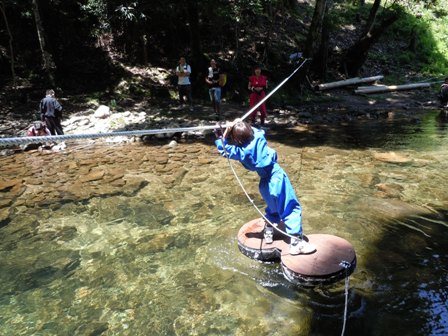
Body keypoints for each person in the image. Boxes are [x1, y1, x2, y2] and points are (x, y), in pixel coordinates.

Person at [214, 120, 315, 255]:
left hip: (264, 184)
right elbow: (258, 131)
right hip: (276, 177)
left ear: (236, 139)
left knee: (273, 208)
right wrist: (239, 122)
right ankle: (296, 243)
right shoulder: (259, 138)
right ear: (250, 131)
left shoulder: (240, 151)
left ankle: (269, 230)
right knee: (290, 207)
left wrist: (225, 133)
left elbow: (223, 148)